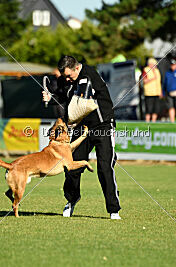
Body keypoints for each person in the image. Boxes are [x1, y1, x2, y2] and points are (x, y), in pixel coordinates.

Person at [42, 55, 121, 220]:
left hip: (103, 125)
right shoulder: (68, 80)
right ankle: (71, 200)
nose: (67, 79)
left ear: (77, 68)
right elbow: (64, 96)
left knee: (105, 167)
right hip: (82, 127)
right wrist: (51, 98)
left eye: (69, 75)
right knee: (72, 166)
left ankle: (113, 209)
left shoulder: (89, 74)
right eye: (65, 77)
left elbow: (83, 94)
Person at [142, 58, 162, 122]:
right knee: (149, 109)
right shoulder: (146, 70)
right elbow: (144, 81)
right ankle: (147, 121)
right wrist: (153, 78)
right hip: (149, 93)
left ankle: (153, 121)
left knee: (156, 108)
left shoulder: (157, 71)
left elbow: (159, 82)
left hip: (156, 93)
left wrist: (160, 92)